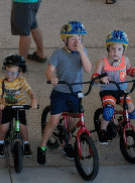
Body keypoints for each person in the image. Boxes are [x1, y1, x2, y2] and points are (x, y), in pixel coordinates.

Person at [37, 21, 93, 165]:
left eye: (79, 39)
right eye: (73, 38)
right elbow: (49, 71)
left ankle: (66, 143)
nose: (77, 41)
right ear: (65, 39)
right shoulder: (58, 53)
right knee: (54, 121)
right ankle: (42, 146)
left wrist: (81, 52)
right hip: (60, 92)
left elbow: (88, 68)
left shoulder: (83, 51)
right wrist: (52, 78)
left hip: (75, 92)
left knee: (71, 121)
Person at [94, 30, 135, 143]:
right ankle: (103, 130)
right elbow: (95, 77)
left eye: (119, 49)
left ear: (123, 50)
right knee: (109, 110)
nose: (116, 52)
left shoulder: (125, 60)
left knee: (132, 112)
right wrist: (100, 79)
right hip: (107, 91)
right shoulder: (102, 62)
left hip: (121, 90)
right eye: (113, 48)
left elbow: (129, 70)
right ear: (108, 48)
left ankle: (121, 122)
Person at [0, 54, 36, 157]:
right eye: (7, 72)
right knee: (4, 128)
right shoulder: (2, 81)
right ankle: (0, 144)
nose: (9, 75)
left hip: (19, 107)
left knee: (23, 128)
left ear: (20, 73)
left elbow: (29, 91)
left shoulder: (21, 81)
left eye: (13, 73)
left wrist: (33, 99)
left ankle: (26, 144)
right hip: (6, 108)